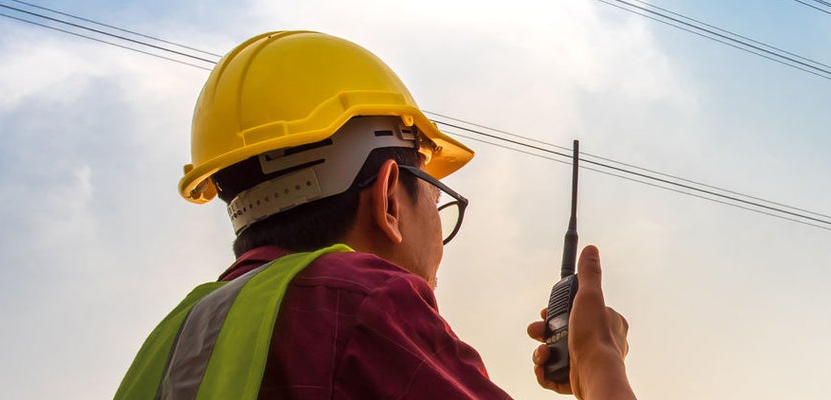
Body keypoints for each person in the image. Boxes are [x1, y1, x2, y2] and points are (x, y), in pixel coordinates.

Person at [113, 30, 636, 400]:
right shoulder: (362, 301)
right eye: (435, 197)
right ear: (389, 197)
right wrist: (597, 361)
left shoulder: (173, 338)